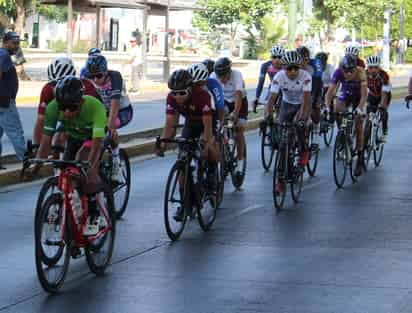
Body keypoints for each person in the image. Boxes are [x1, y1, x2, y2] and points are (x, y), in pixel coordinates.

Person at [34, 76, 108, 236]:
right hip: (74, 136)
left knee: (85, 163)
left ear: (80, 102)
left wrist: (90, 168)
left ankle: (95, 212)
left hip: (92, 137)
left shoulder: (95, 107)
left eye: (72, 108)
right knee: (67, 170)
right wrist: (36, 166)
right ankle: (74, 216)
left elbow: (95, 146)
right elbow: (45, 142)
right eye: (63, 108)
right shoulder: (53, 108)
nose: (67, 112)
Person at [157, 69, 218, 221]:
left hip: (207, 121)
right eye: (174, 93)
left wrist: (205, 143)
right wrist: (163, 142)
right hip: (191, 123)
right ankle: (186, 204)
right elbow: (170, 123)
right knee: (182, 159)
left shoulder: (202, 95)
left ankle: (211, 174)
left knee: (208, 148)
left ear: (191, 88)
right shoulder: (171, 98)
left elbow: (207, 129)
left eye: (182, 93)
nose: (177, 97)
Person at [33, 57, 101, 147]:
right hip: (68, 118)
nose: (56, 88)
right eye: (54, 84)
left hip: (89, 120)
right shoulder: (47, 89)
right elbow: (41, 120)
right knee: (57, 141)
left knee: (78, 147)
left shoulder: (87, 89)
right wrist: (36, 146)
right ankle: (56, 159)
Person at [86, 54, 133, 182]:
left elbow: (115, 103)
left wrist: (110, 125)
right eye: (92, 76)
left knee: (109, 129)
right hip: (104, 112)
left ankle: (117, 161)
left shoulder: (115, 77)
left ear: (106, 72)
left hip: (123, 111)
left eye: (99, 76)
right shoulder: (87, 78)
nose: (95, 79)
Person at [267, 50, 312, 174]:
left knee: (300, 127)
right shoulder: (278, 77)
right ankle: (283, 170)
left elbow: (306, 100)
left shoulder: (306, 76)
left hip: (302, 104)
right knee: (283, 139)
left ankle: (303, 153)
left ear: (300, 67)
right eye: (289, 68)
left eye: (296, 68)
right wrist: (268, 115)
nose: (293, 71)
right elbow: (271, 99)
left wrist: (302, 117)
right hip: (287, 104)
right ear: (284, 67)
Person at [325, 54, 367, 177]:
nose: (348, 74)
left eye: (351, 71)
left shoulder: (361, 73)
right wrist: (327, 107)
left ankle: (360, 157)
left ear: (355, 68)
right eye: (345, 71)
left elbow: (364, 95)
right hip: (346, 93)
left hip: (358, 96)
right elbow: (330, 92)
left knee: (359, 125)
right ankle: (343, 132)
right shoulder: (338, 72)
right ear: (341, 68)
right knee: (338, 110)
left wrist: (359, 108)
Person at [210, 57, 248, 178]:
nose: (222, 79)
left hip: (239, 102)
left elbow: (238, 95)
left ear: (230, 71)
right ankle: (224, 145)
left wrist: (235, 114)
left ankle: (240, 161)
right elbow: (210, 97)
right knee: (219, 128)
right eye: (219, 76)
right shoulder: (212, 76)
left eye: (225, 75)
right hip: (224, 103)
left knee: (238, 130)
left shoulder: (237, 75)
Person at [0, 31, 26, 169]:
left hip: (3, 101)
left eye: (18, 43)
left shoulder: (4, 55)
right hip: (4, 102)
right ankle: (29, 163)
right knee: (16, 132)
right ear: (6, 42)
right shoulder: (3, 55)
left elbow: (20, 60)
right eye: (14, 43)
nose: (17, 46)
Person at [297, 46, 323, 146]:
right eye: (301, 59)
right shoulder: (295, 66)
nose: (303, 62)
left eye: (306, 59)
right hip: (300, 89)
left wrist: (311, 100)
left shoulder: (315, 64)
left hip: (315, 86)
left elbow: (317, 82)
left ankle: (316, 128)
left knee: (314, 108)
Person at [253, 45, 285, 113]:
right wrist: (257, 97)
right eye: (274, 57)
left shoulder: (286, 66)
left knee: (281, 110)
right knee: (267, 109)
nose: (277, 59)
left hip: (285, 88)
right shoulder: (265, 66)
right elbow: (261, 82)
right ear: (271, 57)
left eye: (280, 57)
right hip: (273, 87)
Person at [366, 55, 391, 142]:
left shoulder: (384, 76)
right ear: (367, 67)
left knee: (383, 111)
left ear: (379, 67)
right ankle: (368, 131)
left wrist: (382, 105)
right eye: (371, 67)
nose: (373, 70)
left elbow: (384, 93)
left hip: (383, 95)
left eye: (376, 67)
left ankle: (384, 132)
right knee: (367, 113)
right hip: (372, 95)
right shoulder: (364, 74)